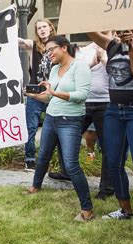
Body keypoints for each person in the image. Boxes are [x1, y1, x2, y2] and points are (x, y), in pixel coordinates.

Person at [26, 36, 93, 221]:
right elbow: (49, 98)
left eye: (51, 50)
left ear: (64, 47)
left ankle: (87, 208)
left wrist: (54, 92)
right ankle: (35, 186)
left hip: (70, 121)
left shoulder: (80, 67)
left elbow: (81, 95)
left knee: (71, 165)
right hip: (51, 118)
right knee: (43, 156)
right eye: (46, 51)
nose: (48, 54)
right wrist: (30, 94)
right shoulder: (55, 69)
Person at [87, 29, 133, 220]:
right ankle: (125, 210)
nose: (122, 30)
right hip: (113, 111)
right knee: (113, 162)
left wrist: (131, 49)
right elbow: (89, 29)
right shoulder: (112, 46)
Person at [49, 40, 114, 200]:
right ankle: (66, 172)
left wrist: (104, 59)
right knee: (63, 136)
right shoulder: (82, 50)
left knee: (106, 146)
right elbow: (78, 72)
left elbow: (119, 75)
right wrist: (91, 63)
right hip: (82, 103)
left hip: (105, 103)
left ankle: (106, 188)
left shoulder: (115, 49)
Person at [18, 19, 56, 171]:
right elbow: (19, 41)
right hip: (35, 92)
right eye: (39, 28)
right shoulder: (33, 46)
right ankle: (30, 159)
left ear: (50, 28)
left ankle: (50, 160)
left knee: (55, 127)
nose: (42, 30)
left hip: (53, 92)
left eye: (44, 27)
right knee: (31, 127)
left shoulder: (59, 46)